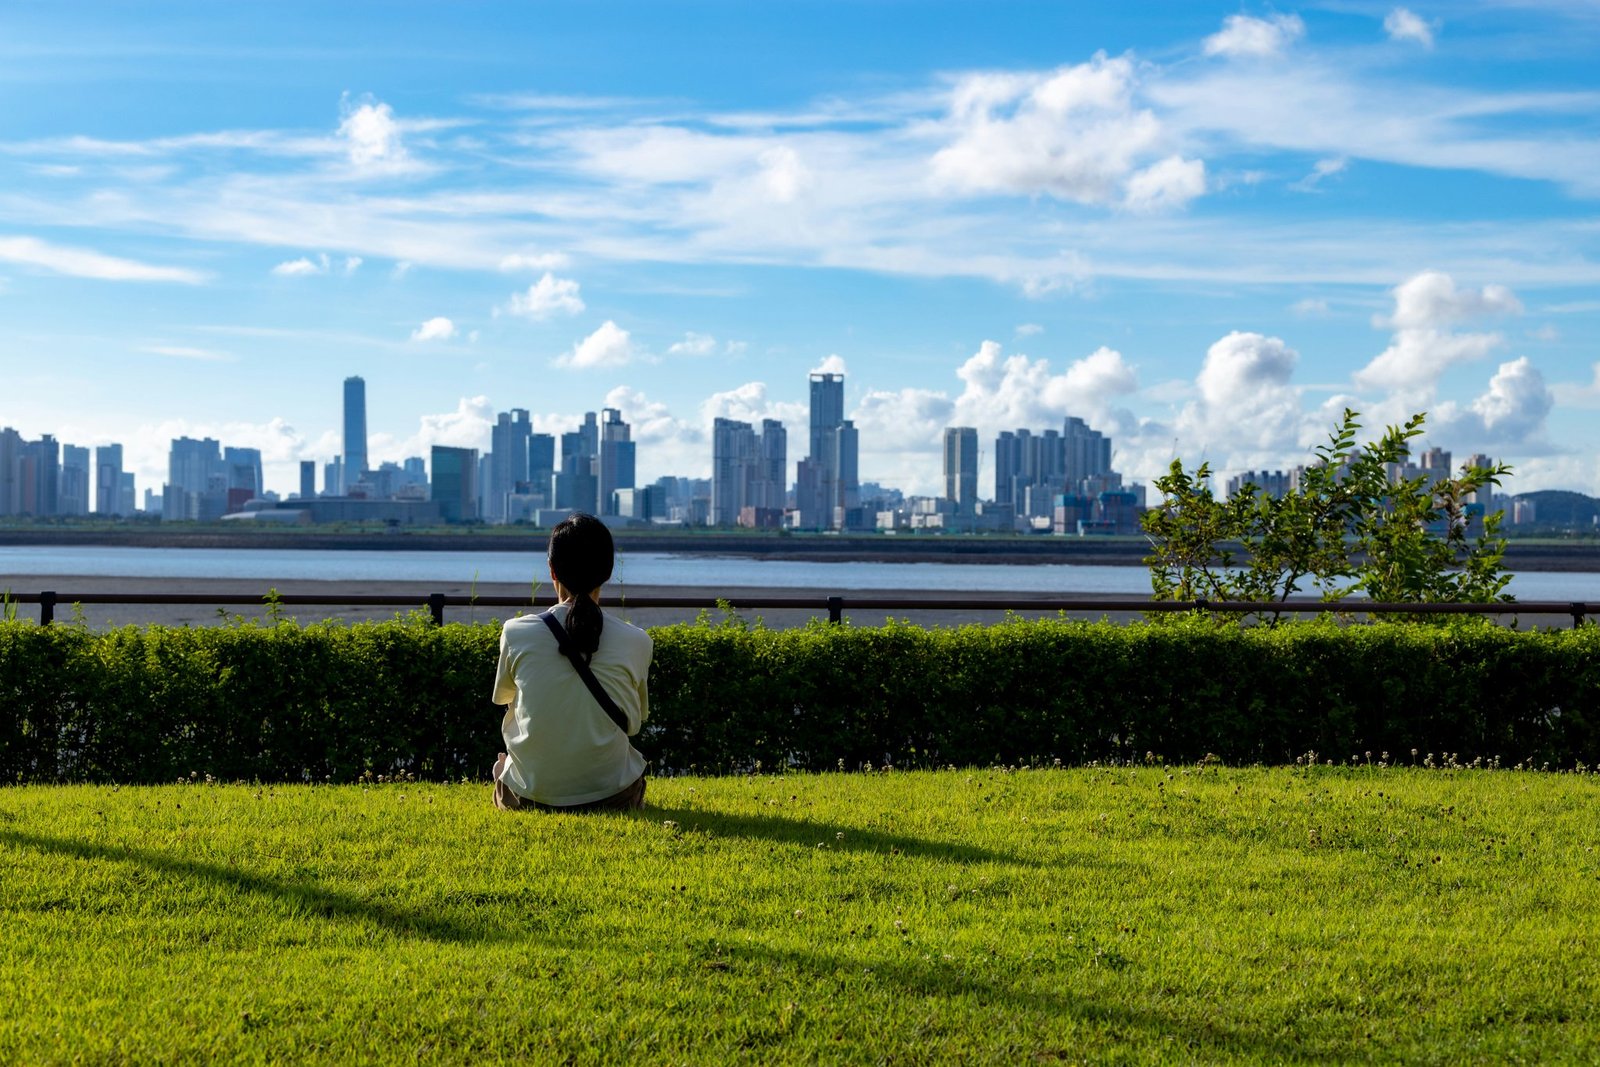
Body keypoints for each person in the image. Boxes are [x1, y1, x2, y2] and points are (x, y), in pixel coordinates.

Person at [490, 513, 652, 812]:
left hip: (531, 796)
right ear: (608, 571)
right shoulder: (637, 640)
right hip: (613, 797)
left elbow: (503, 697)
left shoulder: (516, 632)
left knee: (502, 766)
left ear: (552, 570)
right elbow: (635, 722)